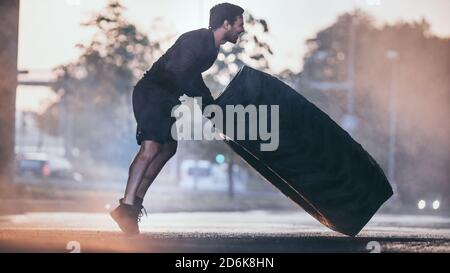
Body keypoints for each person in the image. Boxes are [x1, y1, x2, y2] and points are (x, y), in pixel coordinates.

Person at [110, 3, 245, 234]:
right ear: (226, 24)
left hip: (166, 100)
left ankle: (133, 203)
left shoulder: (212, 49)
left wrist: (211, 109)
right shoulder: (196, 40)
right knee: (150, 149)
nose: (242, 30)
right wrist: (209, 106)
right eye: (240, 24)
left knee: (168, 149)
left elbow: (192, 79)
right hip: (152, 94)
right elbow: (180, 72)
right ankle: (127, 206)